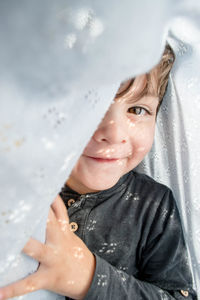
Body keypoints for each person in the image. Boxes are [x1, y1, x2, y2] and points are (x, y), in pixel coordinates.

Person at [0, 45, 197, 300]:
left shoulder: (153, 206)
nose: (114, 134)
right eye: (91, 106)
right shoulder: (19, 188)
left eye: (137, 110)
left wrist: (88, 277)